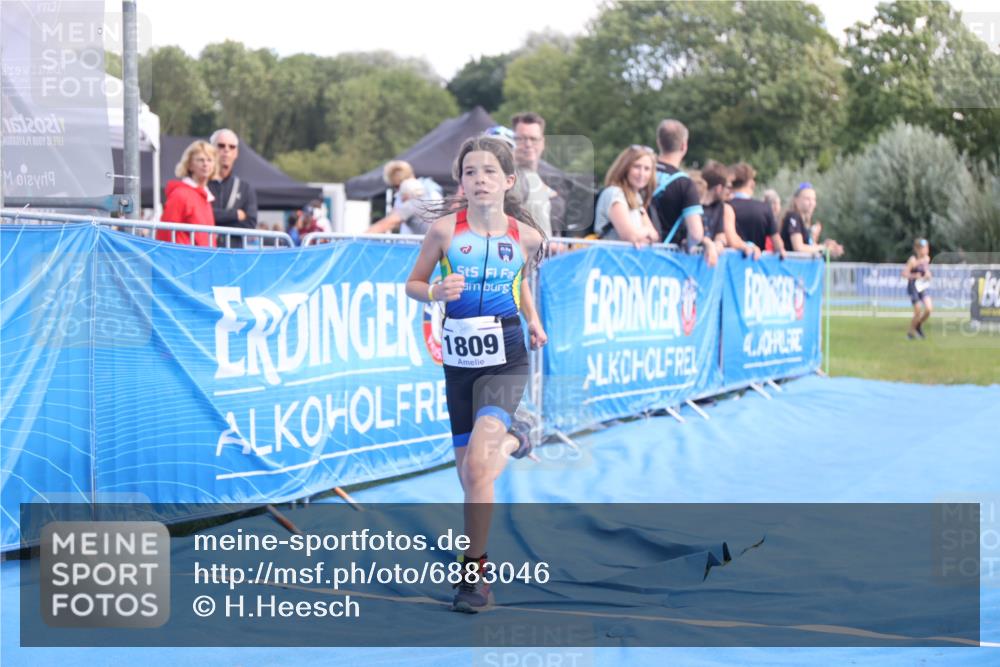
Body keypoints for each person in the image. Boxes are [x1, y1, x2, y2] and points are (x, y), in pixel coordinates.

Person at [405, 135, 547, 613]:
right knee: (470, 477)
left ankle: (475, 575)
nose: (479, 178)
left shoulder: (526, 237)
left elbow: (519, 279)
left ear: (508, 180)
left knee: (480, 466)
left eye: (489, 171)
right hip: (460, 366)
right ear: (460, 182)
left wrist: (532, 320)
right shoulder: (444, 232)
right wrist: (435, 292)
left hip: (505, 359)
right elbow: (413, 283)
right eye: (470, 172)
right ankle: (520, 437)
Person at [650, 119, 718, 266]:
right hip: (665, 260)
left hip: (633, 252)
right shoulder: (684, 183)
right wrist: (691, 245)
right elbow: (695, 233)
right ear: (684, 146)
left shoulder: (641, 172)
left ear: (658, 142)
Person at [593, 145, 660, 247]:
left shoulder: (636, 197)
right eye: (637, 167)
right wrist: (646, 231)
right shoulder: (615, 193)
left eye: (647, 169)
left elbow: (655, 236)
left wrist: (641, 235)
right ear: (625, 168)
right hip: (609, 259)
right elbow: (631, 236)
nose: (642, 173)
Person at [158, 140, 217, 247]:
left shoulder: (206, 197)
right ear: (189, 165)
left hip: (202, 259)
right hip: (184, 260)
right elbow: (165, 233)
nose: (205, 164)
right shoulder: (180, 194)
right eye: (200, 160)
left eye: (209, 160)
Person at [511, 112, 561, 237]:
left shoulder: (540, 181)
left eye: (533, 139)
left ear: (542, 143)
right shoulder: (505, 177)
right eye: (521, 138)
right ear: (512, 141)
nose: (528, 144)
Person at [208, 129, 258, 249]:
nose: (226, 150)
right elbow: (200, 217)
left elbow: (250, 224)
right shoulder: (201, 184)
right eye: (221, 146)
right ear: (211, 149)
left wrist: (216, 220)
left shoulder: (245, 188)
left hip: (233, 254)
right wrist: (235, 214)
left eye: (232, 147)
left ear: (236, 153)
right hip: (204, 252)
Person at [701, 161, 760, 259]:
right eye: (728, 187)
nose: (730, 191)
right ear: (719, 188)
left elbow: (723, 235)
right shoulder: (692, 204)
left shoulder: (721, 207)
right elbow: (732, 239)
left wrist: (719, 243)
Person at [728, 162, 785, 258]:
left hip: (726, 267)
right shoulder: (764, 208)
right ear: (751, 183)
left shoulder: (725, 207)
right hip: (756, 267)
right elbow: (778, 244)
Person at [374, 160, 444, 234]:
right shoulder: (428, 189)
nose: (397, 191)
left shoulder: (422, 197)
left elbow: (386, 224)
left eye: (396, 186)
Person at [780, 183, 845, 258]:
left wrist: (828, 247)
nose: (811, 203)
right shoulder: (794, 217)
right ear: (796, 200)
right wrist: (823, 248)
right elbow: (798, 248)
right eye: (807, 199)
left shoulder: (802, 220)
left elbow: (808, 247)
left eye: (814, 199)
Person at [369, 178, 442, 234]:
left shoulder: (411, 204)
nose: (400, 199)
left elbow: (384, 225)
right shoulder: (428, 200)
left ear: (405, 194)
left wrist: (359, 238)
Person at [903, 238, 933, 339]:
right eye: (922, 248)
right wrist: (915, 275)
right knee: (918, 311)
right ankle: (911, 333)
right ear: (916, 249)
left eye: (925, 247)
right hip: (913, 287)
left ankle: (918, 325)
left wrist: (928, 275)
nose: (924, 250)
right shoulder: (913, 260)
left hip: (922, 287)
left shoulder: (927, 259)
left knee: (929, 309)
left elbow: (926, 272)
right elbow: (904, 274)